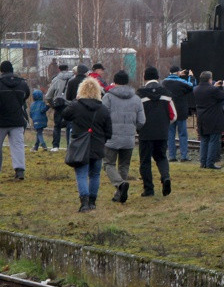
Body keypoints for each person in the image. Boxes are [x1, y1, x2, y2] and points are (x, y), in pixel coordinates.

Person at [62, 77, 112, 212]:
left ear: (81, 90)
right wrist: (102, 140)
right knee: (95, 175)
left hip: (80, 146)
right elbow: (109, 132)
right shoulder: (103, 109)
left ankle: (84, 203)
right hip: (97, 145)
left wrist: (75, 99)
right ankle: (92, 202)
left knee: (81, 174)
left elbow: (65, 115)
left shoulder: (76, 106)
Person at [102, 70, 145, 204]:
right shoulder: (137, 99)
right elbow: (142, 121)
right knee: (124, 165)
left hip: (111, 138)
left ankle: (119, 184)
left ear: (114, 82)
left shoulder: (108, 97)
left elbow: (102, 116)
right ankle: (119, 193)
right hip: (129, 138)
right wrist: (133, 129)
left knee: (108, 164)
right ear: (127, 82)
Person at [0, 61, 31, 180]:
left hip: (1, 121)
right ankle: (19, 170)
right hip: (17, 119)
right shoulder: (22, 83)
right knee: (18, 146)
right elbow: (26, 95)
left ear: (1, 71)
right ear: (12, 70)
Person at [136, 66, 176, 197]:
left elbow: (136, 115)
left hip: (145, 133)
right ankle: (165, 177)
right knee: (161, 157)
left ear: (144, 77)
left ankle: (149, 189)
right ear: (158, 77)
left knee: (145, 161)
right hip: (162, 132)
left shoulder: (139, 94)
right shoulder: (166, 93)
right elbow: (173, 115)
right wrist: (164, 124)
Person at [193, 71, 224, 169]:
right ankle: (210, 163)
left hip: (201, 118)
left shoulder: (196, 89)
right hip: (213, 119)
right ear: (210, 79)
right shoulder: (212, 90)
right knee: (213, 141)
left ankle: (203, 163)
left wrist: (214, 85)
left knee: (204, 140)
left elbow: (210, 94)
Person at [164, 65, 196, 162]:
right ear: (178, 72)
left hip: (169, 111)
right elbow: (191, 86)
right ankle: (184, 156)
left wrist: (178, 74)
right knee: (182, 134)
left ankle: (172, 156)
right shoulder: (181, 82)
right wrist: (191, 76)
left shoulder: (164, 82)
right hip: (181, 111)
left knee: (170, 134)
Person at [46, 63, 74, 151]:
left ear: (59, 69)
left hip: (59, 105)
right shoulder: (73, 78)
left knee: (57, 126)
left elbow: (48, 96)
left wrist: (52, 104)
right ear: (67, 68)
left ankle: (55, 146)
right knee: (69, 126)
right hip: (70, 105)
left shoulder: (56, 79)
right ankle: (69, 146)